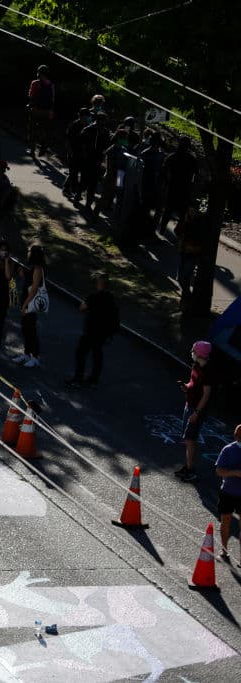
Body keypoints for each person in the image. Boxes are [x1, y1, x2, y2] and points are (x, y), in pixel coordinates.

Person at [65, 272, 119, 388]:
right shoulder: (111, 298)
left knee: (81, 353)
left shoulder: (94, 296)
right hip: (103, 332)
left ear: (99, 284)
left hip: (91, 330)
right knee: (97, 354)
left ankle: (78, 379)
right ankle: (94, 380)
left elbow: (82, 307)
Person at [175, 340, 216, 482]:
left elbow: (206, 394)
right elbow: (192, 383)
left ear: (198, 353)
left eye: (193, 350)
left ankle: (191, 470)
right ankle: (187, 466)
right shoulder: (196, 366)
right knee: (187, 439)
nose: (191, 352)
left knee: (190, 439)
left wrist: (197, 412)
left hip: (196, 409)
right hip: (189, 405)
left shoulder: (207, 372)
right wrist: (186, 387)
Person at [12, 244, 47, 368]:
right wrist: (22, 273)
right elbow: (28, 281)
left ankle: (35, 357)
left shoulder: (38, 269)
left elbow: (34, 289)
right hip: (26, 300)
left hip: (30, 302)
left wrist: (25, 305)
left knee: (31, 329)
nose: (27, 253)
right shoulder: (32, 268)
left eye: (29, 251)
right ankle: (27, 354)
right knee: (26, 328)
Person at [158, 137, 198, 238]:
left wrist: (165, 183)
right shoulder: (192, 159)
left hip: (173, 187)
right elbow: (197, 175)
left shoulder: (172, 157)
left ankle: (162, 230)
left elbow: (163, 171)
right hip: (185, 188)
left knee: (168, 210)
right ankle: (178, 231)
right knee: (183, 212)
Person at [215, 425, 241, 566]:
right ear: (236, 436)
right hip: (228, 492)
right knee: (225, 522)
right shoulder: (228, 450)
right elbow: (219, 471)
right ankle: (225, 551)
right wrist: (235, 473)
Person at [175, 204, 205, 310]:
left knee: (185, 277)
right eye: (189, 211)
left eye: (193, 211)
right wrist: (184, 222)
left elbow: (196, 236)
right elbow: (177, 231)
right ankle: (187, 298)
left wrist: (187, 224)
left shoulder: (199, 223)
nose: (191, 213)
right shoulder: (185, 220)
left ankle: (186, 300)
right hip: (183, 251)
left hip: (192, 253)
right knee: (180, 278)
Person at [26, 64, 55, 155]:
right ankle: (43, 147)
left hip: (35, 110)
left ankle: (32, 149)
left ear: (39, 73)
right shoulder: (51, 84)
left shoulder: (35, 83)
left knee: (32, 130)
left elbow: (31, 96)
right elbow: (53, 99)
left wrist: (29, 105)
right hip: (47, 111)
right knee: (44, 130)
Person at [63, 107, 91, 200]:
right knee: (73, 173)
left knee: (74, 173)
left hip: (82, 153)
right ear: (82, 116)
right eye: (87, 116)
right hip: (73, 152)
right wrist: (70, 152)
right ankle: (74, 192)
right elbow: (68, 140)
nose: (88, 117)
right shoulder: (74, 125)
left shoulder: (88, 126)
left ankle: (67, 189)